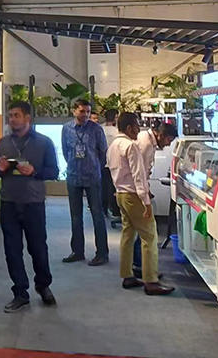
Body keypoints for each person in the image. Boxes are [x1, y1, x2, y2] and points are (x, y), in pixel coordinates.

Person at [0, 101, 59, 313]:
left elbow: (54, 172)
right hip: (9, 203)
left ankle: (43, 285)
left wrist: (34, 171)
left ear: (27, 118)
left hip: (33, 203)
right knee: (12, 250)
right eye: (10, 115)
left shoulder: (44, 143)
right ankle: (20, 292)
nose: (12, 119)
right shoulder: (3, 143)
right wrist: (0, 168)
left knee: (38, 248)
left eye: (16, 115)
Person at [107, 112, 174, 295]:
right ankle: (151, 281)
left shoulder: (113, 145)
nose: (139, 130)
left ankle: (127, 275)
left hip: (121, 194)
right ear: (129, 128)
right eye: (137, 126)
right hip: (134, 195)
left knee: (128, 235)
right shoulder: (131, 146)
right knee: (150, 236)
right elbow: (139, 175)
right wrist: (146, 201)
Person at [61, 99, 109, 266]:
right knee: (75, 216)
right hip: (74, 176)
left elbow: (103, 152)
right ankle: (77, 251)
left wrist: (95, 167)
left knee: (97, 215)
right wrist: (73, 164)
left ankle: (102, 253)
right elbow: (65, 151)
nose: (86, 115)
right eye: (82, 111)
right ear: (74, 111)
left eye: (88, 112)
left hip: (92, 177)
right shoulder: (66, 129)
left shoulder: (96, 129)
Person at [132, 122, 178, 277]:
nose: (168, 144)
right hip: (136, 191)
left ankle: (138, 265)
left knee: (140, 232)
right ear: (161, 135)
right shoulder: (146, 144)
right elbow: (140, 173)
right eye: (169, 140)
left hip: (136, 189)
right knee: (147, 232)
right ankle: (143, 269)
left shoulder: (147, 140)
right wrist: (145, 194)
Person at [101, 108, 120, 219]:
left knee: (103, 187)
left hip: (101, 161)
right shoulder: (117, 132)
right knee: (113, 187)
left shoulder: (100, 129)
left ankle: (103, 209)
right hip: (114, 162)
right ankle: (114, 210)